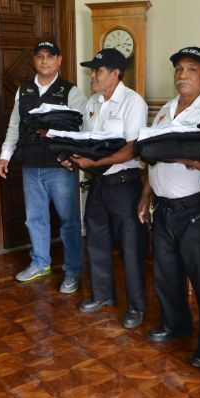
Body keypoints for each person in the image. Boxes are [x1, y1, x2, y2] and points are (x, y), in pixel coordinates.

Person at [137, 47, 200, 368]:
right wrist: (146, 195)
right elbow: (153, 157)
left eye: (191, 69)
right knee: (166, 272)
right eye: (178, 69)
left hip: (199, 209)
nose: (182, 75)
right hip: (164, 208)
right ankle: (176, 324)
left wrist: (193, 161)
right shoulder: (164, 110)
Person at [66, 48, 148, 329]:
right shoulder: (92, 102)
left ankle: (136, 307)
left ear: (116, 73)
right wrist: (75, 157)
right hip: (99, 183)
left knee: (130, 248)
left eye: (98, 71)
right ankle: (102, 295)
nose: (93, 76)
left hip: (124, 186)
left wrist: (94, 160)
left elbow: (132, 149)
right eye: (92, 71)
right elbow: (89, 140)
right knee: (97, 240)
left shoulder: (133, 103)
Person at [0, 41, 86, 293]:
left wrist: (76, 157)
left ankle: (73, 271)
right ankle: (40, 263)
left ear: (59, 60)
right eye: (40, 56)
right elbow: (14, 125)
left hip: (61, 166)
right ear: (34, 60)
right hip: (30, 165)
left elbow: (82, 130)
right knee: (35, 219)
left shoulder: (71, 91)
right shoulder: (23, 90)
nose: (44, 61)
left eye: (50, 56)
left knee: (68, 221)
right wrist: (5, 155)